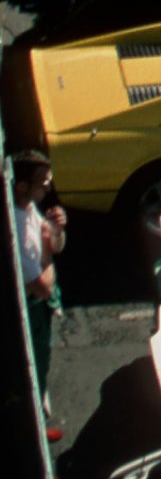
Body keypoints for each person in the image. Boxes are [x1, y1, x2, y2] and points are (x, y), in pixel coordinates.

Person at [13, 150, 66, 433]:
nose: (48, 185)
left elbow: (56, 244)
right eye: (42, 182)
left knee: (41, 360)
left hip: (38, 310)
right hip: (29, 313)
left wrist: (56, 231)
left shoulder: (29, 207)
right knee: (30, 366)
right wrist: (47, 252)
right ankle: (34, 425)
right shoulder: (14, 230)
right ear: (21, 186)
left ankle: (39, 397)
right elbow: (45, 287)